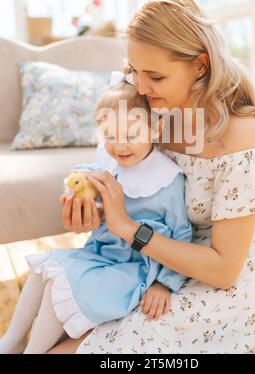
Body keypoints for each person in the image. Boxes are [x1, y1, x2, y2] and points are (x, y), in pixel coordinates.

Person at [50, 0, 255, 354]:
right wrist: (96, 211)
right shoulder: (155, 110)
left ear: (200, 66)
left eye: (155, 77)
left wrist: (129, 230)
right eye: (134, 71)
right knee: (56, 325)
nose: (141, 88)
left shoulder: (240, 134)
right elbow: (136, 185)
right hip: (153, 264)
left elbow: (224, 269)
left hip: (221, 286)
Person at [0, 79, 192, 354]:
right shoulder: (110, 163)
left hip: (132, 269)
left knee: (60, 283)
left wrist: (164, 283)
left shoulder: (167, 180)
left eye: (131, 136)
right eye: (110, 136)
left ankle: (34, 351)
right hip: (100, 254)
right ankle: (12, 340)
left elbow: (182, 235)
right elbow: (85, 177)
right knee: (43, 270)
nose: (120, 146)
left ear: (155, 128)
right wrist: (77, 191)